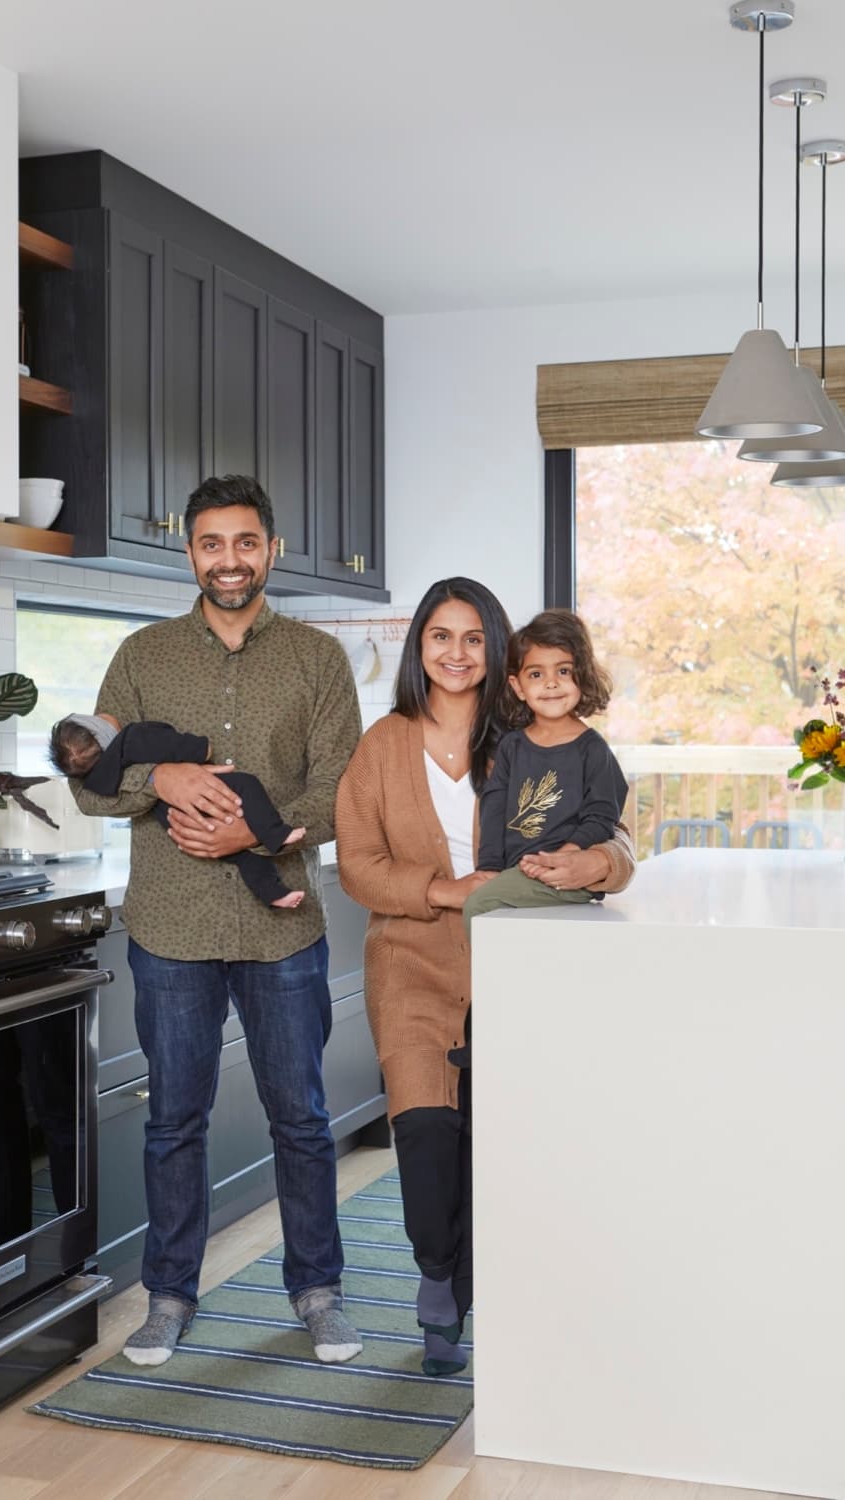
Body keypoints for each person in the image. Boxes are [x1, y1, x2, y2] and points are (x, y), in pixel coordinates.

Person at [69, 474, 363, 1367]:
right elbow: (91, 776)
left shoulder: (318, 659)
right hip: (171, 928)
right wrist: (154, 778)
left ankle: (318, 1291)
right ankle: (168, 1297)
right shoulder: (142, 657)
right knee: (174, 1123)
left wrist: (256, 825)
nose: (227, 560)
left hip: (282, 930)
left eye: (244, 543)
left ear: (271, 550)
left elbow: (345, 791)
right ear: (189, 552)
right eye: (210, 543)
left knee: (302, 1120)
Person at [334, 577, 635, 1377]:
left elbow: (621, 841)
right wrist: (440, 889)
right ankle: (438, 1277)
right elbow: (358, 865)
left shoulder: (539, 733)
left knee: (505, 1151)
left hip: (523, 969)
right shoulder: (382, 745)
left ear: (499, 652)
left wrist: (593, 861)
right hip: (412, 968)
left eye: (475, 638)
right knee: (428, 1142)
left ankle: (494, 1299)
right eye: (441, 636)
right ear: (419, 646)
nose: (457, 653)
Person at [462, 609, 629, 926]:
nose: (551, 683)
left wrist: (567, 855)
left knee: (477, 907)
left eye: (564, 671)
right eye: (536, 674)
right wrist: (490, 868)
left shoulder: (592, 750)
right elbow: (494, 807)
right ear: (518, 686)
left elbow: (603, 814)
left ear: (583, 676)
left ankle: (487, 978)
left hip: (569, 877)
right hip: (518, 874)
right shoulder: (512, 747)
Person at [51, 711, 306, 908]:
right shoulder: (134, 738)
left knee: (242, 857)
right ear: (103, 734)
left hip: (174, 818)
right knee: (247, 785)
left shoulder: (98, 780)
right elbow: (195, 748)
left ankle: (274, 894)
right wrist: (200, 746)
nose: (106, 713)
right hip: (205, 791)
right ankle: (276, 833)